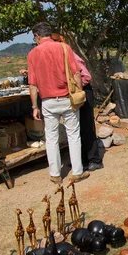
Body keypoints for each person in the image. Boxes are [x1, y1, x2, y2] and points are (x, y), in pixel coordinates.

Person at [26, 22, 89, 184]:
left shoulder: (32, 54)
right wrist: (80, 93)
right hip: (67, 98)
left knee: (51, 138)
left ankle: (55, 174)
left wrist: (34, 106)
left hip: (47, 101)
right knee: (73, 135)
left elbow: (32, 84)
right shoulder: (64, 48)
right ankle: (77, 171)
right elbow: (76, 73)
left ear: (37, 36)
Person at [49, 33, 103, 171]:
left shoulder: (70, 55)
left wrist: (76, 90)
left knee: (86, 126)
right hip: (72, 93)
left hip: (82, 91)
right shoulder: (58, 57)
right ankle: (80, 160)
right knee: (75, 129)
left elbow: (85, 76)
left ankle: (94, 160)